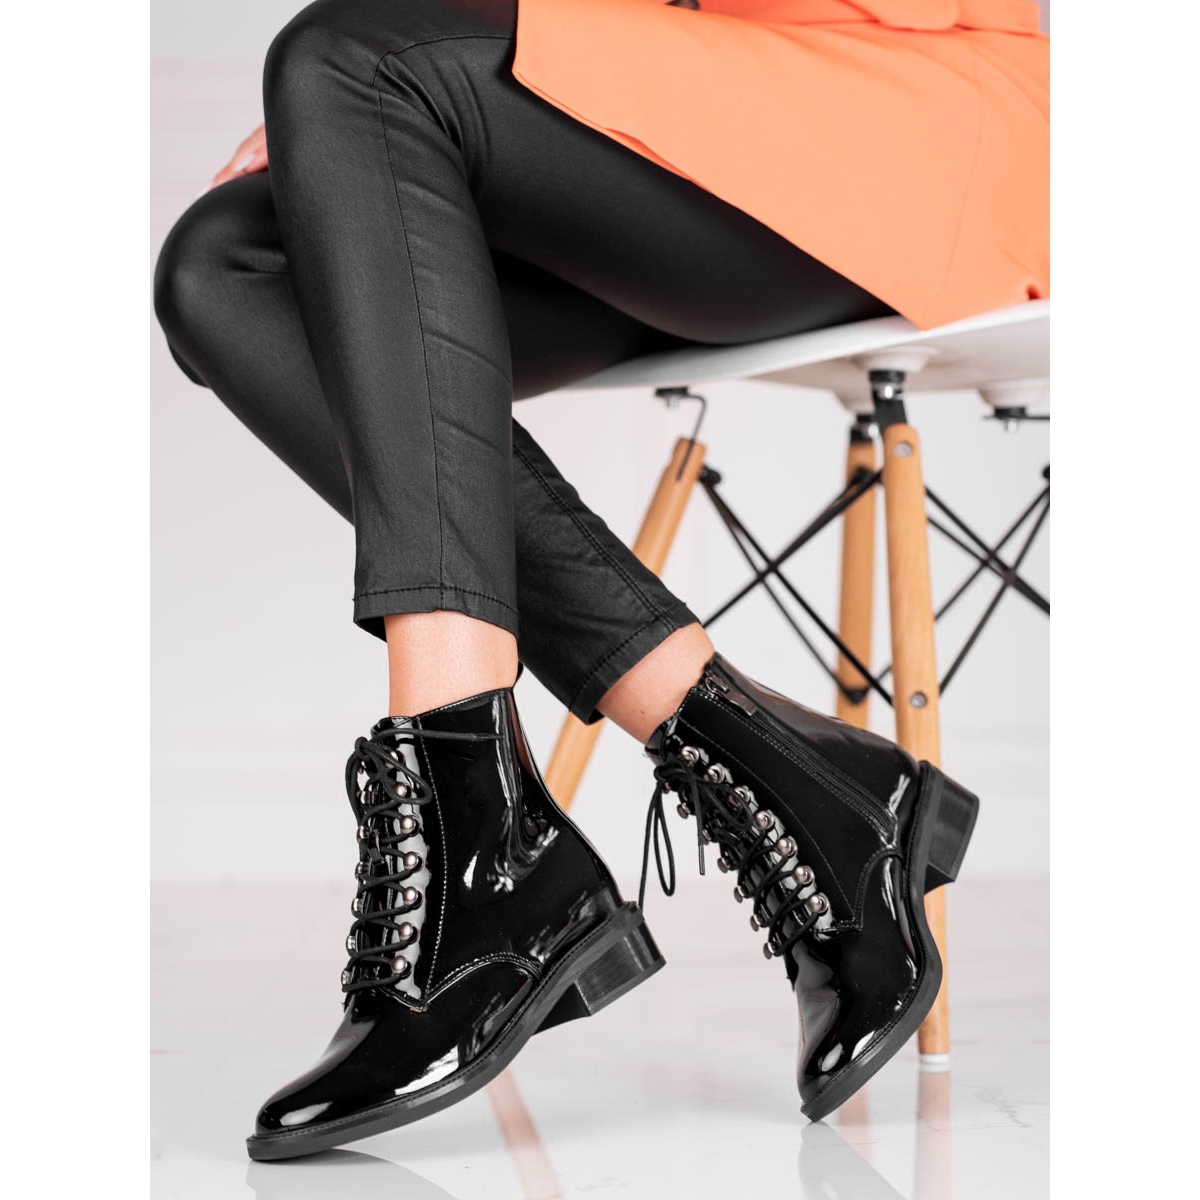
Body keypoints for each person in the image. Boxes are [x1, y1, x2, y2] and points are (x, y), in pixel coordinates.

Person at [153, 0, 1045, 1162]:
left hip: (906, 127)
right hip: (679, 120)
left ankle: (494, 852)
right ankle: (781, 777)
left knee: (352, 63)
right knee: (225, 267)